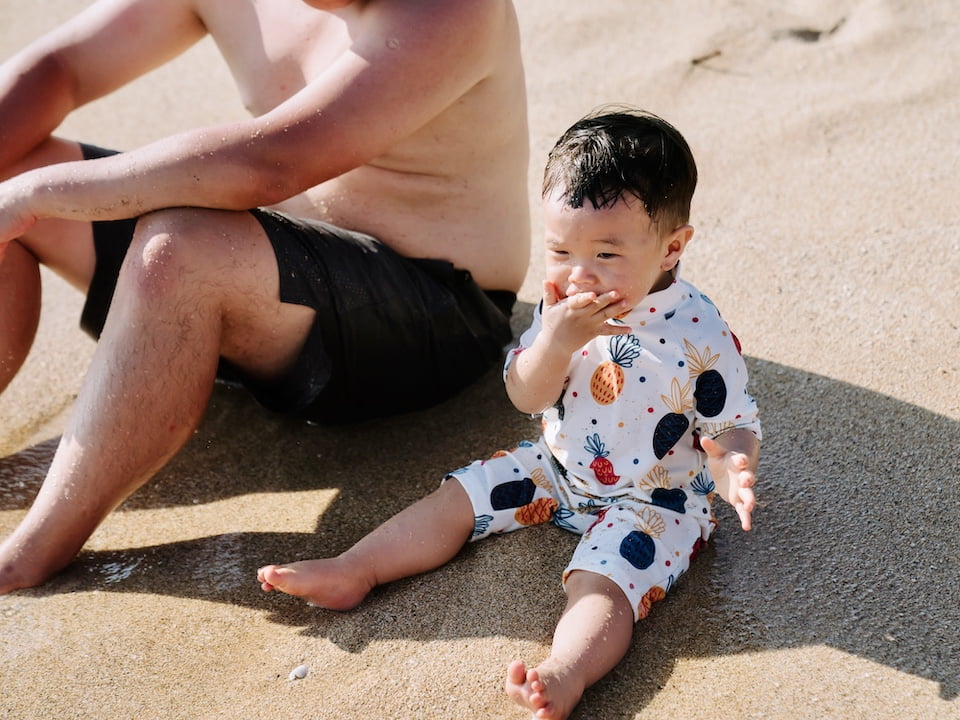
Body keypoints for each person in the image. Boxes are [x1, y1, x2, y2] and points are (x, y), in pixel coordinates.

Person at [0, 0, 530, 594]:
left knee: (177, 246)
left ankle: (31, 552)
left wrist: (32, 197)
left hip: (438, 315)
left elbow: (269, 164)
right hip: (264, 281)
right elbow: (61, 67)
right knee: (8, 161)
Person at [257, 107, 762, 719]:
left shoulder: (698, 333)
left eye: (606, 253)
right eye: (560, 250)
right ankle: (354, 568)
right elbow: (525, 394)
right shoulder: (559, 309)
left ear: (672, 247)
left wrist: (734, 462)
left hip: (655, 501)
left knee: (603, 581)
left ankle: (566, 672)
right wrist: (555, 340)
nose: (579, 274)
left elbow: (730, 416)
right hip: (556, 468)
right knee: (459, 497)